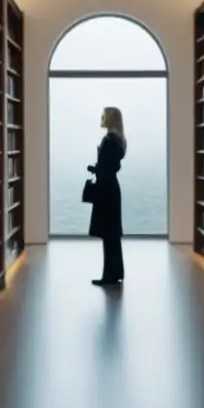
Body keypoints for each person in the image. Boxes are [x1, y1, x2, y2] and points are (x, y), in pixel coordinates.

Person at [87, 106, 126, 286]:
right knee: (112, 234)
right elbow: (114, 166)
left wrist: (96, 168)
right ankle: (115, 272)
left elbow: (108, 166)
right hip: (111, 188)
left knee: (108, 233)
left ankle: (109, 276)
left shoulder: (109, 140)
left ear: (110, 119)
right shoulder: (118, 140)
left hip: (106, 189)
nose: (101, 118)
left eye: (103, 116)